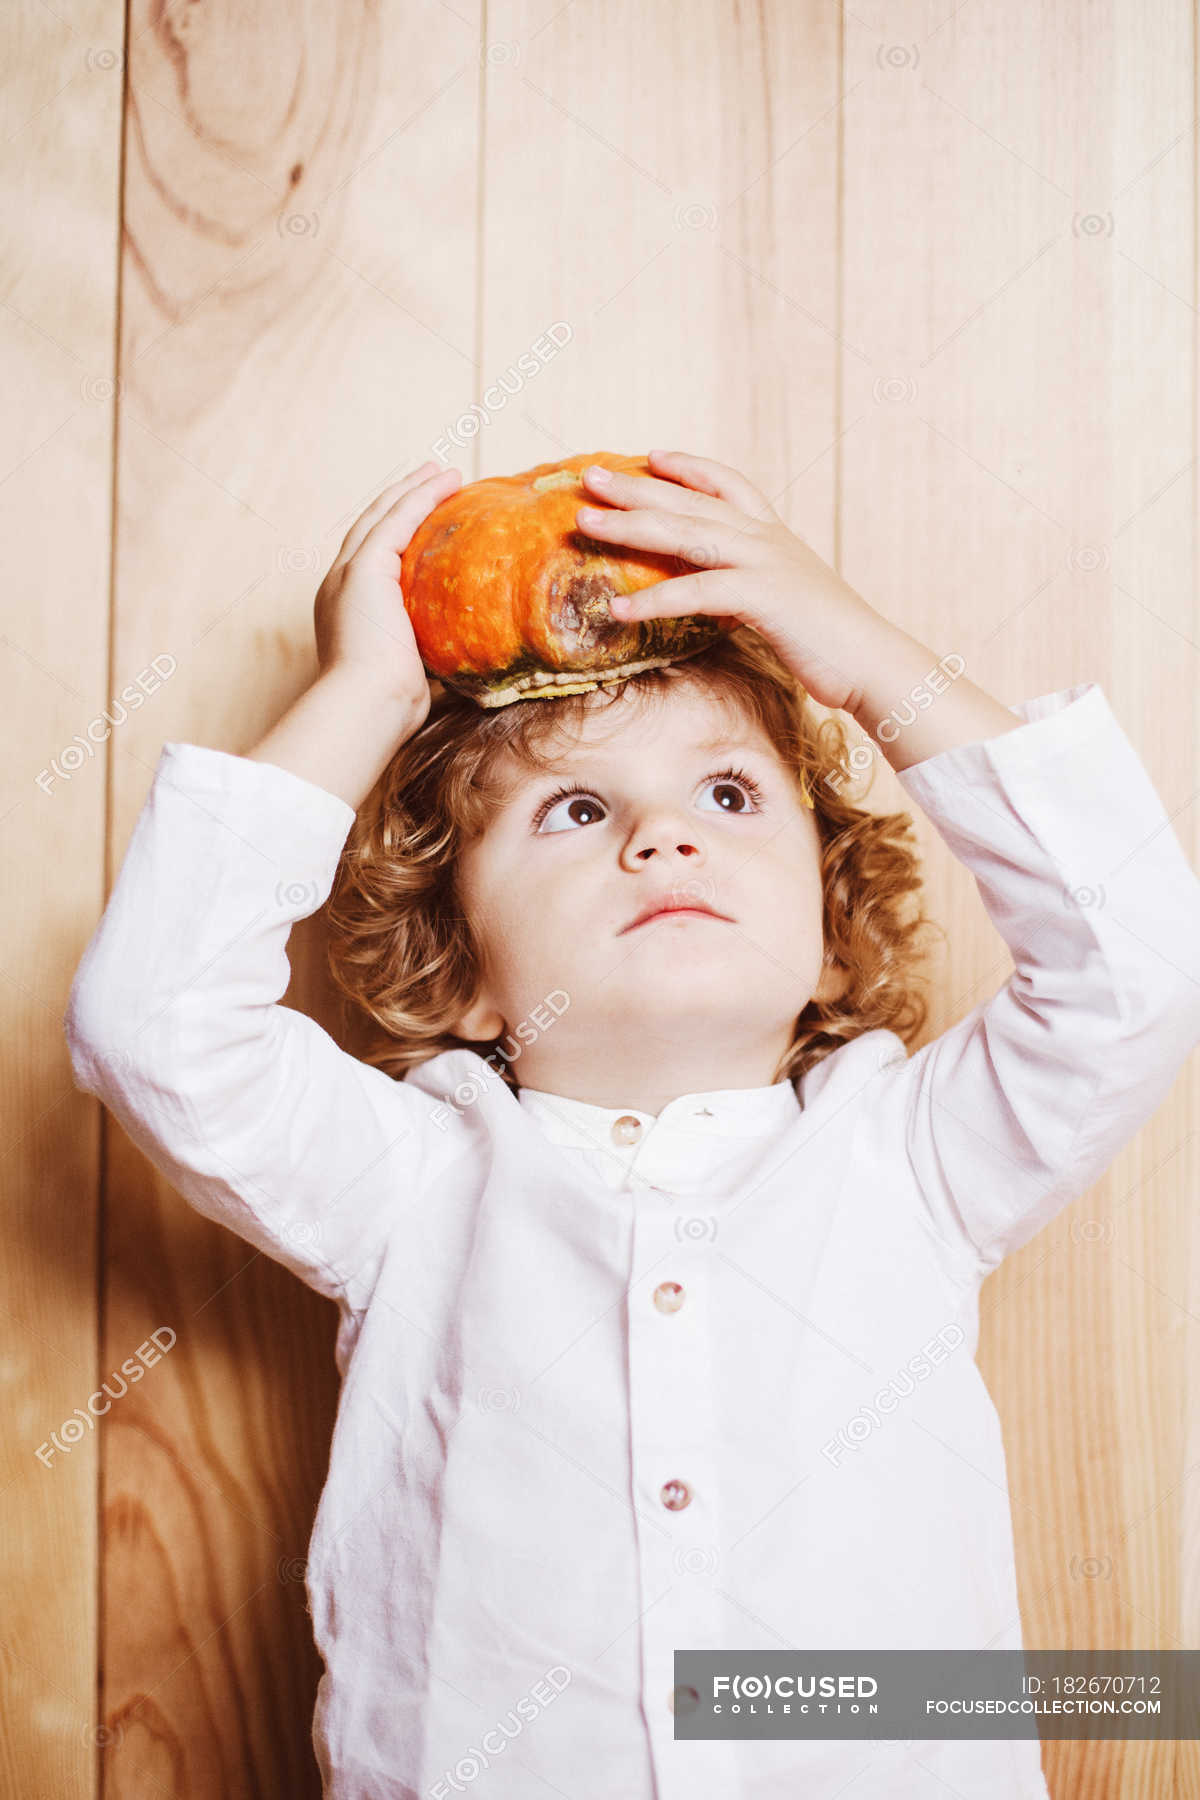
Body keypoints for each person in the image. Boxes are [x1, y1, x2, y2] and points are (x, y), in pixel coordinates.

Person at [64, 451, 1200, 1799]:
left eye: (728, 796)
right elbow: (153, 1023)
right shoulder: (411, 1185)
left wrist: (859, 658)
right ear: (462, 972)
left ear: (832, 940)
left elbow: (1134, 961)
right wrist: (363, 694)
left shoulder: (910, 1156)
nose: (662, 838)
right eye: (577, 809)